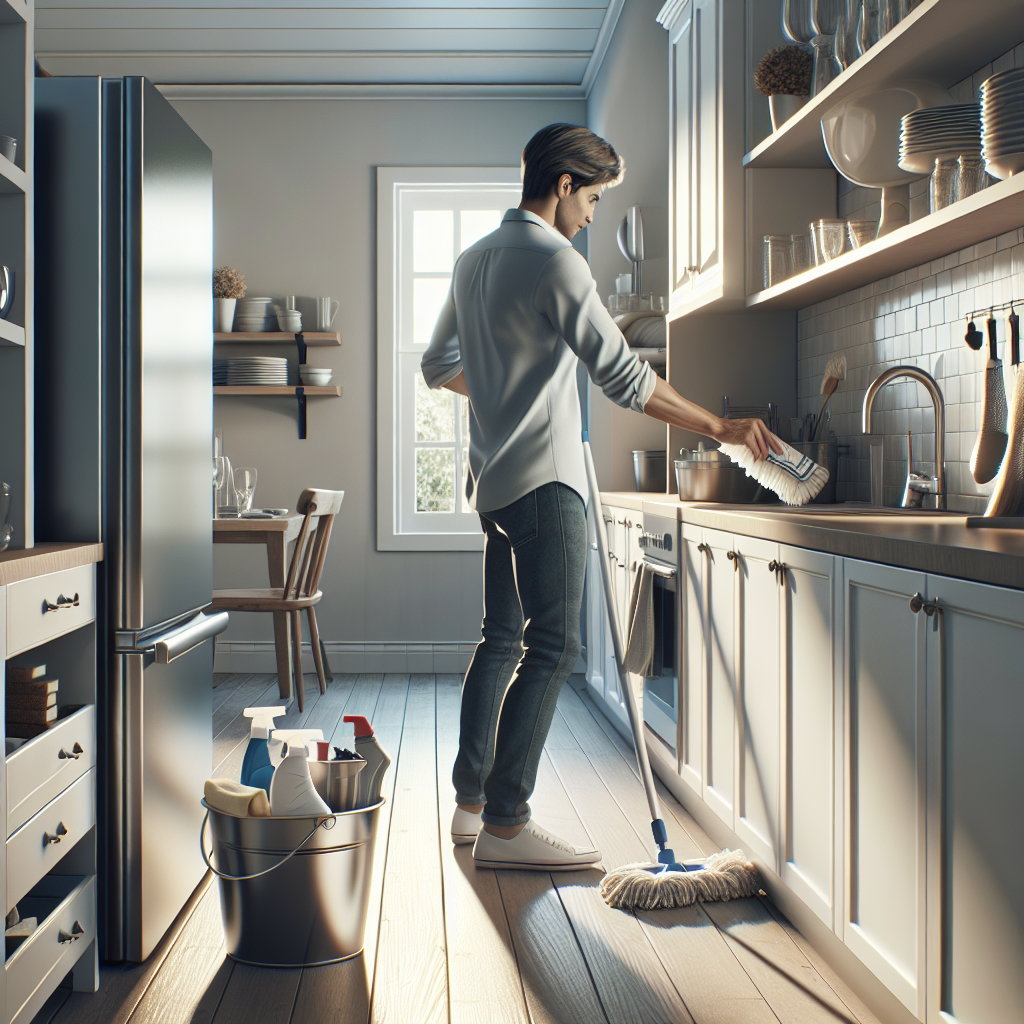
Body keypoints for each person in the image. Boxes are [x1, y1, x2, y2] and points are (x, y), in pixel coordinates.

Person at [421, 123, 779, 871]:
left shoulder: (473, 259)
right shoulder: (558, 262)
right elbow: (626, 379)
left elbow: (438, 366)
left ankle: (470, 804)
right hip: (548, 485)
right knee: (555, 648)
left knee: (500, 639)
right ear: (562, 186)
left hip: (492, 484)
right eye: (592, 198)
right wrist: (719, 425)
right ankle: (509, 826)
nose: (592, 215)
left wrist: (500, 389)